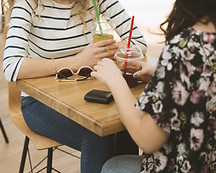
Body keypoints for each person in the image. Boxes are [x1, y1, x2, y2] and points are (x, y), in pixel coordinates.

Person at [2, 0, 147, 172]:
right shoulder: (28, 4)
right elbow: (11, 67)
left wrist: (109, 49)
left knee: (126, 121)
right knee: (98, 133)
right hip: (39, 103)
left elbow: (138, 42)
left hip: (86, 97)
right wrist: (77, 62)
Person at [91, 0, 216, 172]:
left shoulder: (185, 49)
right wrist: (164, 74)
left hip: (188, 165)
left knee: (112, 166)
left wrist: (115, 81)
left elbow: (147, 140)